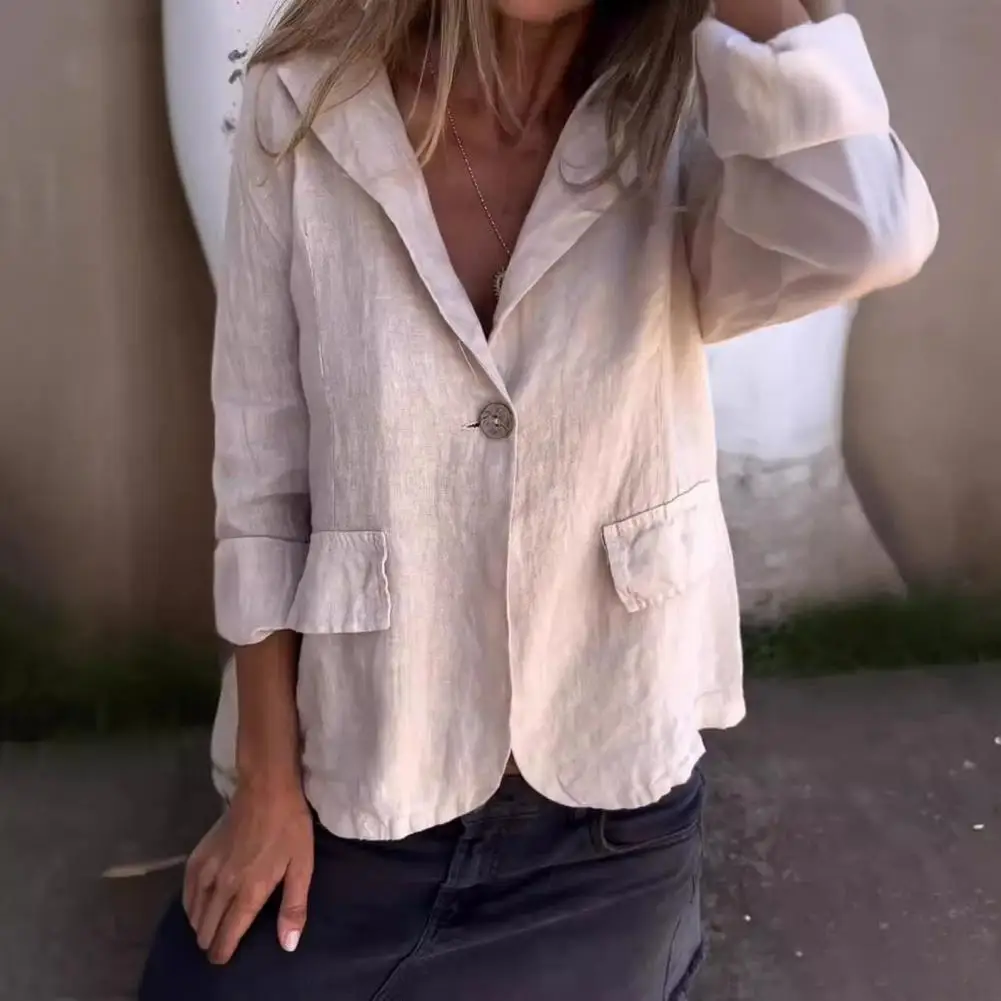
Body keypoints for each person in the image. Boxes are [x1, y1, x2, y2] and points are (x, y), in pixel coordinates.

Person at [140, 0, 937, 997]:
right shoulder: (302, 97)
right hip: (369, 763)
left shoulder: (693, 113)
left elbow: (868, 230)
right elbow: (263, 475)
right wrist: (266, 785)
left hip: (607, 799)